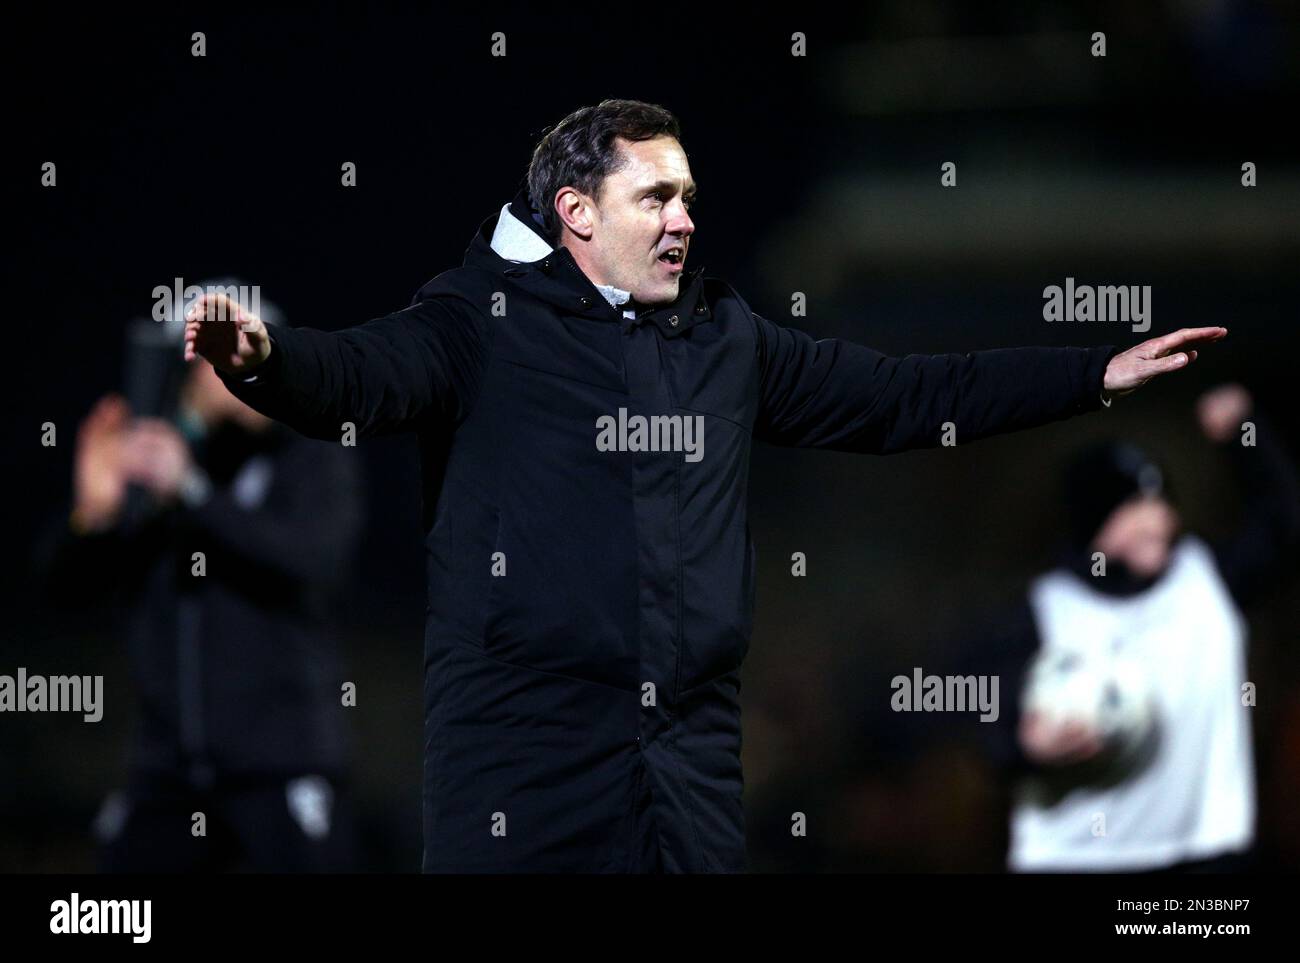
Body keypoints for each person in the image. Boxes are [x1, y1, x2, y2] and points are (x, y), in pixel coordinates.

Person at [185, 99, 1227, 873]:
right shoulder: (476, 323)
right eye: (656, 197)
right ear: (575, 213)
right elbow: (359, 375)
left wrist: (1090, 372)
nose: (684, 218)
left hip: (687, 765)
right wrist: (266, 359)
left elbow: (907, 395)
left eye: (688, 197)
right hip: (522, 763)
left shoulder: (726, 338)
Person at [38, 300, 364, 872]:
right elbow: (62, 593)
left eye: (245, 350)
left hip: (280, 768)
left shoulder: (307, 452)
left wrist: (192, 492)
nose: (230, 369)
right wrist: (95, 514)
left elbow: (316, 561)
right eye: (211, 356)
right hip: (166, 772)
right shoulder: (152, 473)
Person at [999, 384, 1299, 872]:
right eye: (1131, 509)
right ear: (1090, 524)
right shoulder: (1041, 610)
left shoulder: (1209, 579)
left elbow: (1283, 527)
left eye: (1159, 505)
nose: (1155, 521)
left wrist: (1246, 434)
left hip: (1202, 854)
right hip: (1075, 858)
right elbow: (975, 710)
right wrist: (1021, 745)